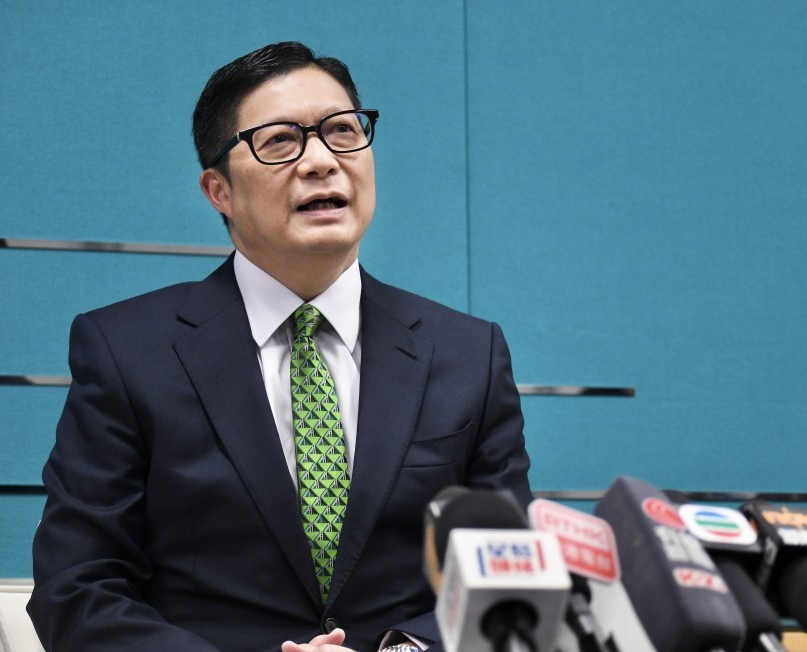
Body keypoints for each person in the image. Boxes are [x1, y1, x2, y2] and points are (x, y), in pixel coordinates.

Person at [27, 41, 532, 652]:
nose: (322, 161)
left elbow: (509, 578)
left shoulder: (469, 354)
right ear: (218, 190)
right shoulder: (127, 351)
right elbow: (76, 587)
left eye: (342, 131)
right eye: (280, 141)